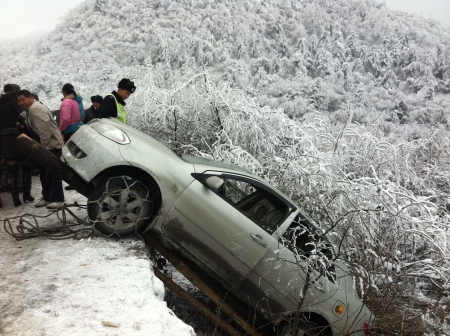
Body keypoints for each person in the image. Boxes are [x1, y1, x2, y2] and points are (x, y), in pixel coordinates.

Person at [16, 89, 65, 209]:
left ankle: (58, 199)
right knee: (44, 172)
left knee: (53, 173)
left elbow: (45, 131)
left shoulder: (36, 109)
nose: (21, 103)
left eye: (23, 99)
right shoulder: (29, 109)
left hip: (51, 145)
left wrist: (44, 149)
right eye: (19, 101)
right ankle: (47, 196)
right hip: (45, 145)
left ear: (30, 98)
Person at [0, 84, 34, 206]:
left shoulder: (1, 103)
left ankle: (15, 199)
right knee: (26, 168)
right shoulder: (14, 102)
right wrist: (19, 128)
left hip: (5, 142)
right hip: (19, 139)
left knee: (12, 171)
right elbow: (23, 116)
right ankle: (27, 194)